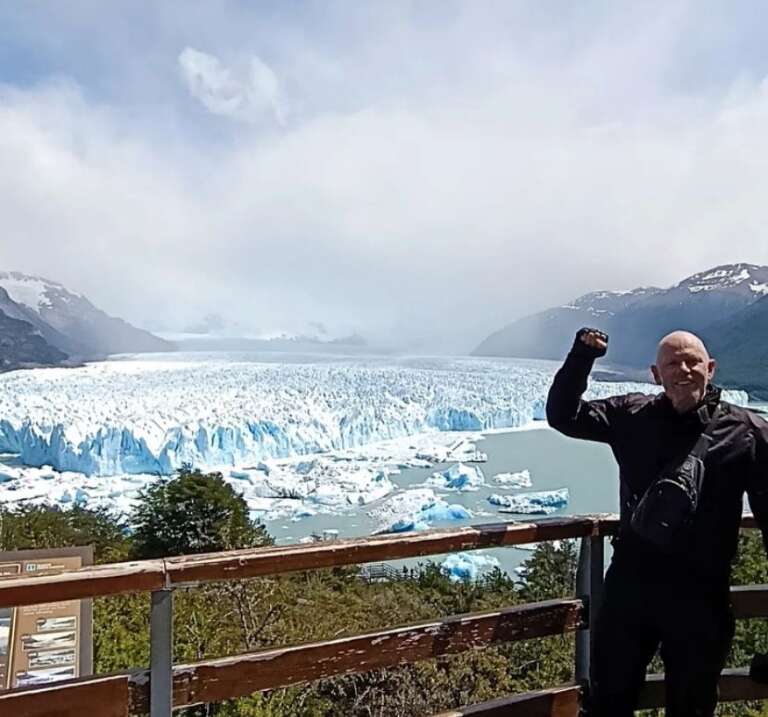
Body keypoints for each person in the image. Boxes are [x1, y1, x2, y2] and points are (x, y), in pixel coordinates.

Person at [546, 327, 768, 716]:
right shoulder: (631, 414)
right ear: (655, 374)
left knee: (692, 706)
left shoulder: (747, 433)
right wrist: (582, 355)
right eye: (672, 363)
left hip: (701, 598)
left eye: (692, 361)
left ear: (711, 369)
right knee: (609, 702)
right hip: (631, 592)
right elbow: (564, 415)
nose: (683, 370)